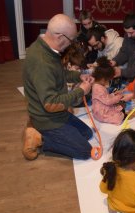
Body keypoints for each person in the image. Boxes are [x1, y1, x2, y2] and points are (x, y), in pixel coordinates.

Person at [22, 14, 94, 160]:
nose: (71, 44)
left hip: (57, 114)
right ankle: (40, 139)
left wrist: (78, 76)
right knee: (85, 152)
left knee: (88, 134)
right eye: (71, 40)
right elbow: (51, 104)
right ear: (60, 37)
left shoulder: (45, 46)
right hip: (48, 118)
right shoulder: (42, 62)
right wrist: (81, 91)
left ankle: (36, 127)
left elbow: (58, 73)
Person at [91, 56, 125, 125]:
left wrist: (113, 95)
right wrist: (119, 97)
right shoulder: (98, 88)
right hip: (101, 112)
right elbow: (108, 101)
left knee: (119, 107)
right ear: (103, 79)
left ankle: (120, 112)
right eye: (108, 80)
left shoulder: (98, 85)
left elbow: (105, 97)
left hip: (102, 107)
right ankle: (123, 115)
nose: (108, 83)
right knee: (118, 117)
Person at [111, 13, 135, 83]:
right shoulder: (129, 34)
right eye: (126, 32)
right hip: (131, 78)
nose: (128, 36)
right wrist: (115, 61)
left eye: (131, 33)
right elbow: (124, 52)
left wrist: (122, 72)